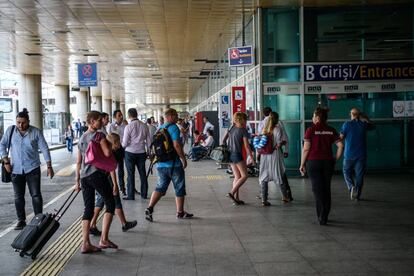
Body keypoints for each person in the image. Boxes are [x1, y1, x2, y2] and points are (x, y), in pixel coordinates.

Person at [0, 108, 54, 230]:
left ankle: (38, 219)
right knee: (18, 196)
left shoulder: (36, 132)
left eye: (23, 122)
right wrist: (5, 160)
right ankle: (21, 220)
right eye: (18, 122)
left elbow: (44, 148)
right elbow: (2, 144)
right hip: (15, 169)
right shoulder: (11, 130)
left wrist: (49, 165)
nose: (20, 125)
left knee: (35, 195)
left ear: (28, 121)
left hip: (32, 168)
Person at [74, 111, 117, 253]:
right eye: (99, 120)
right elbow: (107, 154)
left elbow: (79, 162)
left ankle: (85, 243)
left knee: (88, 208)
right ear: (92, 122)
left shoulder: (81, 138)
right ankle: (104, 239)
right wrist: (111, 145)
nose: (101, 122)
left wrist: (77, 181)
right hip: (97, 174)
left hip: (85, 177)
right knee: (110, 202)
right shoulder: (99, 136)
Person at [145, 108, 193, 221]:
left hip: (161, 165)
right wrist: (183, 159)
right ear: (170, 116)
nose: (177, 117)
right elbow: (176, 145)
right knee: (179, 188)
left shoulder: (159, 128)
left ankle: (150, 208)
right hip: (174, 165)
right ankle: (180, 212)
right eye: (175, 115)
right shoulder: (174, 128)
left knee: (160, 188)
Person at [299, 107, 344, 225]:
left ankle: (321, 216)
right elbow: (341, 146)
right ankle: (324, 215)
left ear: (318, 118)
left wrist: (302, 164)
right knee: (326, 188)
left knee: (317, 189)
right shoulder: (331, 130)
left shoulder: (310, 130)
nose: (312, 118)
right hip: (328, 162)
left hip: (314, 163)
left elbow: (306, 149)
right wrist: (335, 159)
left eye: (313, 116)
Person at [89, 133, 137, 236]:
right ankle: (123, 224)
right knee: (112, 201)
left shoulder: (111, 151)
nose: (120, 143)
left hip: (101, 178)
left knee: (101, 201)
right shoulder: (110, 152)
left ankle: (93, 224)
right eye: (118, 141)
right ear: (113, 143)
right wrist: (115, 184)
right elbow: (111, 170)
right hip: (107, 180)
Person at [258, 112, 293, 206]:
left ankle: (264, 199)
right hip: (274, 154)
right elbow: (278, 143)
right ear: (277, 119)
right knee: (279, 174)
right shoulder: (278, 129)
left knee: (264, 175)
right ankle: (285, 196)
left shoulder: (264, 129)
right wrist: (282, 144)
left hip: (264, 155)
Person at [340, 107, 375, 200]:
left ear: (351, 114)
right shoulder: (363, 125)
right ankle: (357, 195)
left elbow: (341, 137)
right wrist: (366, 118)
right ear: (359, 115)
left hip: (348, 155)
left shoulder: (346, 124)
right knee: (359, 175)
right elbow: (373, 126)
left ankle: (351, 187)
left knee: (346, 172)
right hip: (361, 155)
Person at [223, 112, 255, 205]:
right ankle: (232, 193)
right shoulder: (243, 130)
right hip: (237, 155)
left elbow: (223, 140)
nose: (246, 121)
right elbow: (247, 146)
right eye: (245, 119)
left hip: (230, 154)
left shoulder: (230, 128)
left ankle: (236, 199)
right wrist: (252, 158)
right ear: (242, 120)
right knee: (245, 176)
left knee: (237, 176)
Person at [122, 108, 151, 200]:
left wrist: (121, 147)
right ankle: (144, 194)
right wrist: (149, 152)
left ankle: (130, 195)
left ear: (129, 116)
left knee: (130, 174)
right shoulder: (145, 126)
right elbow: (149, 141)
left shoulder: (128, 127)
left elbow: (125, 143)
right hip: (142, 152)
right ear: (137, 114)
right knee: (142, 173)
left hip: (130, 153)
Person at [107, 110, 127, 195]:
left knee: (121, 169)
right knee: (111, 169)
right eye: (119, 115)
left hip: (122, 148)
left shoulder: (125, 125)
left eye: (121, 115)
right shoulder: (111, 126)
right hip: (113, 150)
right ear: (115, 117)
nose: (121, 116)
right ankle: (112, 187)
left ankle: (122, 188)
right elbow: (109, 137)